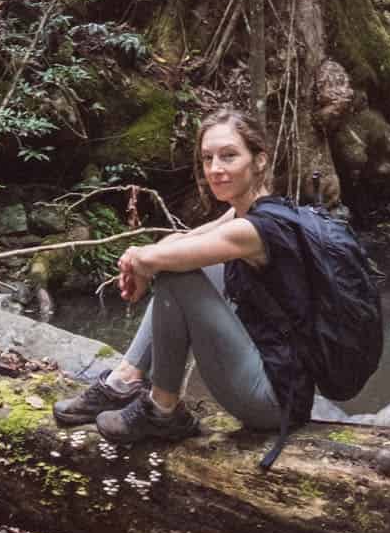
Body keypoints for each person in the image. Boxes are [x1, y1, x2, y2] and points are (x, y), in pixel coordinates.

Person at [52, 107, 316, 448]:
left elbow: (170, 258)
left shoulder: (258, 228)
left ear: (260, 161)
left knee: (178, 275)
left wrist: (141, 261)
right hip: (271, 379)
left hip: (271, 400)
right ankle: (123, 382)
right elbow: (183, 241)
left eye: (229, 156)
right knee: (185, 263)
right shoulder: (247, 212)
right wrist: (143, 262)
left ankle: (162, 410)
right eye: (208, 158)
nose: (215, 169)